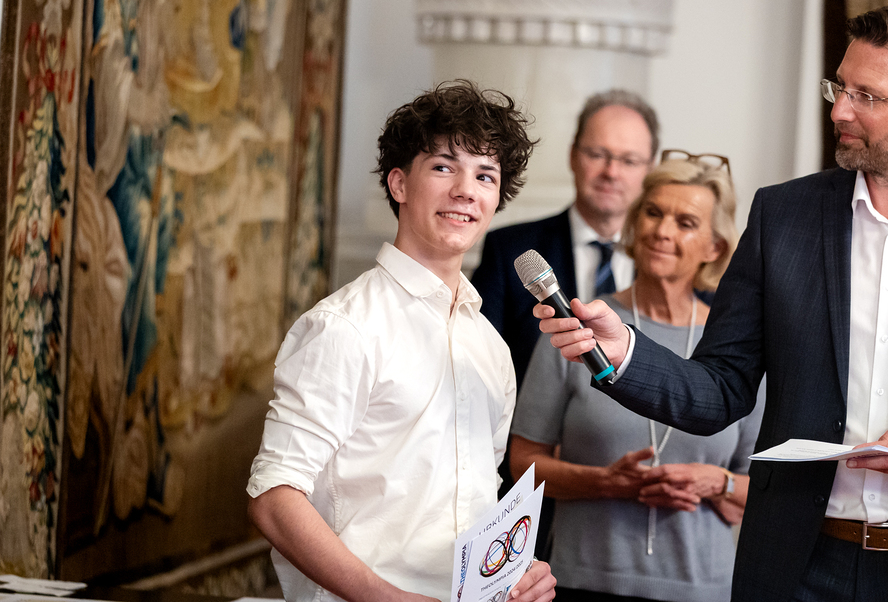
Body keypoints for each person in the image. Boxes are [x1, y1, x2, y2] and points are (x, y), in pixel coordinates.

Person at [535, 4, 888, 602]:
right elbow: (720, 387)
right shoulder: (783, 216)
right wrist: (623, 351)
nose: (839, 110)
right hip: (797, 569)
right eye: (839, 87)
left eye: (866, 96)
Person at [246, 81, 557, 602]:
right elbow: (273, 497)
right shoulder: (344, 326)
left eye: (485, 175)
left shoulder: (490, 344)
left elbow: (473, 498)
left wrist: (512, 574)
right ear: (399, 184)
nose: (466, 191)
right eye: (444, 167)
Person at [510, 158, 763, 602]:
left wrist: (717, 482)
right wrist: (603, 482)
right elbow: (523, 464)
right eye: (653, 213)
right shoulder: (580, 326)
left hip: (703, 589)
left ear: (715, 247)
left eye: (685, 222)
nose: (662, 231)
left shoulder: (738, 344)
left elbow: (764, 490)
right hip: (582, 581)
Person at [472, 89, 659, 387]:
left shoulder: (669, 259)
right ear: (573, 155)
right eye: (597, 155)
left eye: (629, 160)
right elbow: (481, 364)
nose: (611, 172)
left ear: (650, 170)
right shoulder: (509, 250)